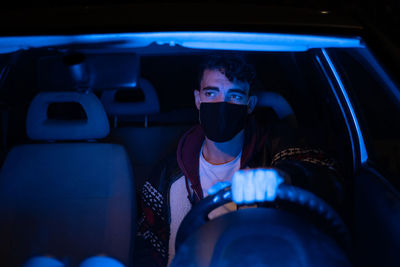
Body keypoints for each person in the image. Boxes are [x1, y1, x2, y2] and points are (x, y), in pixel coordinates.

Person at [134, 54, 345, 267]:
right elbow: (148, 244)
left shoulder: (275, 147)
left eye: (234, 96)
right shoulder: (168, 173)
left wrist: (283, 177)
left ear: (250, 104)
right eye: (211, 93)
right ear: (198, 100)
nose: (221, 105)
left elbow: (325, 176)